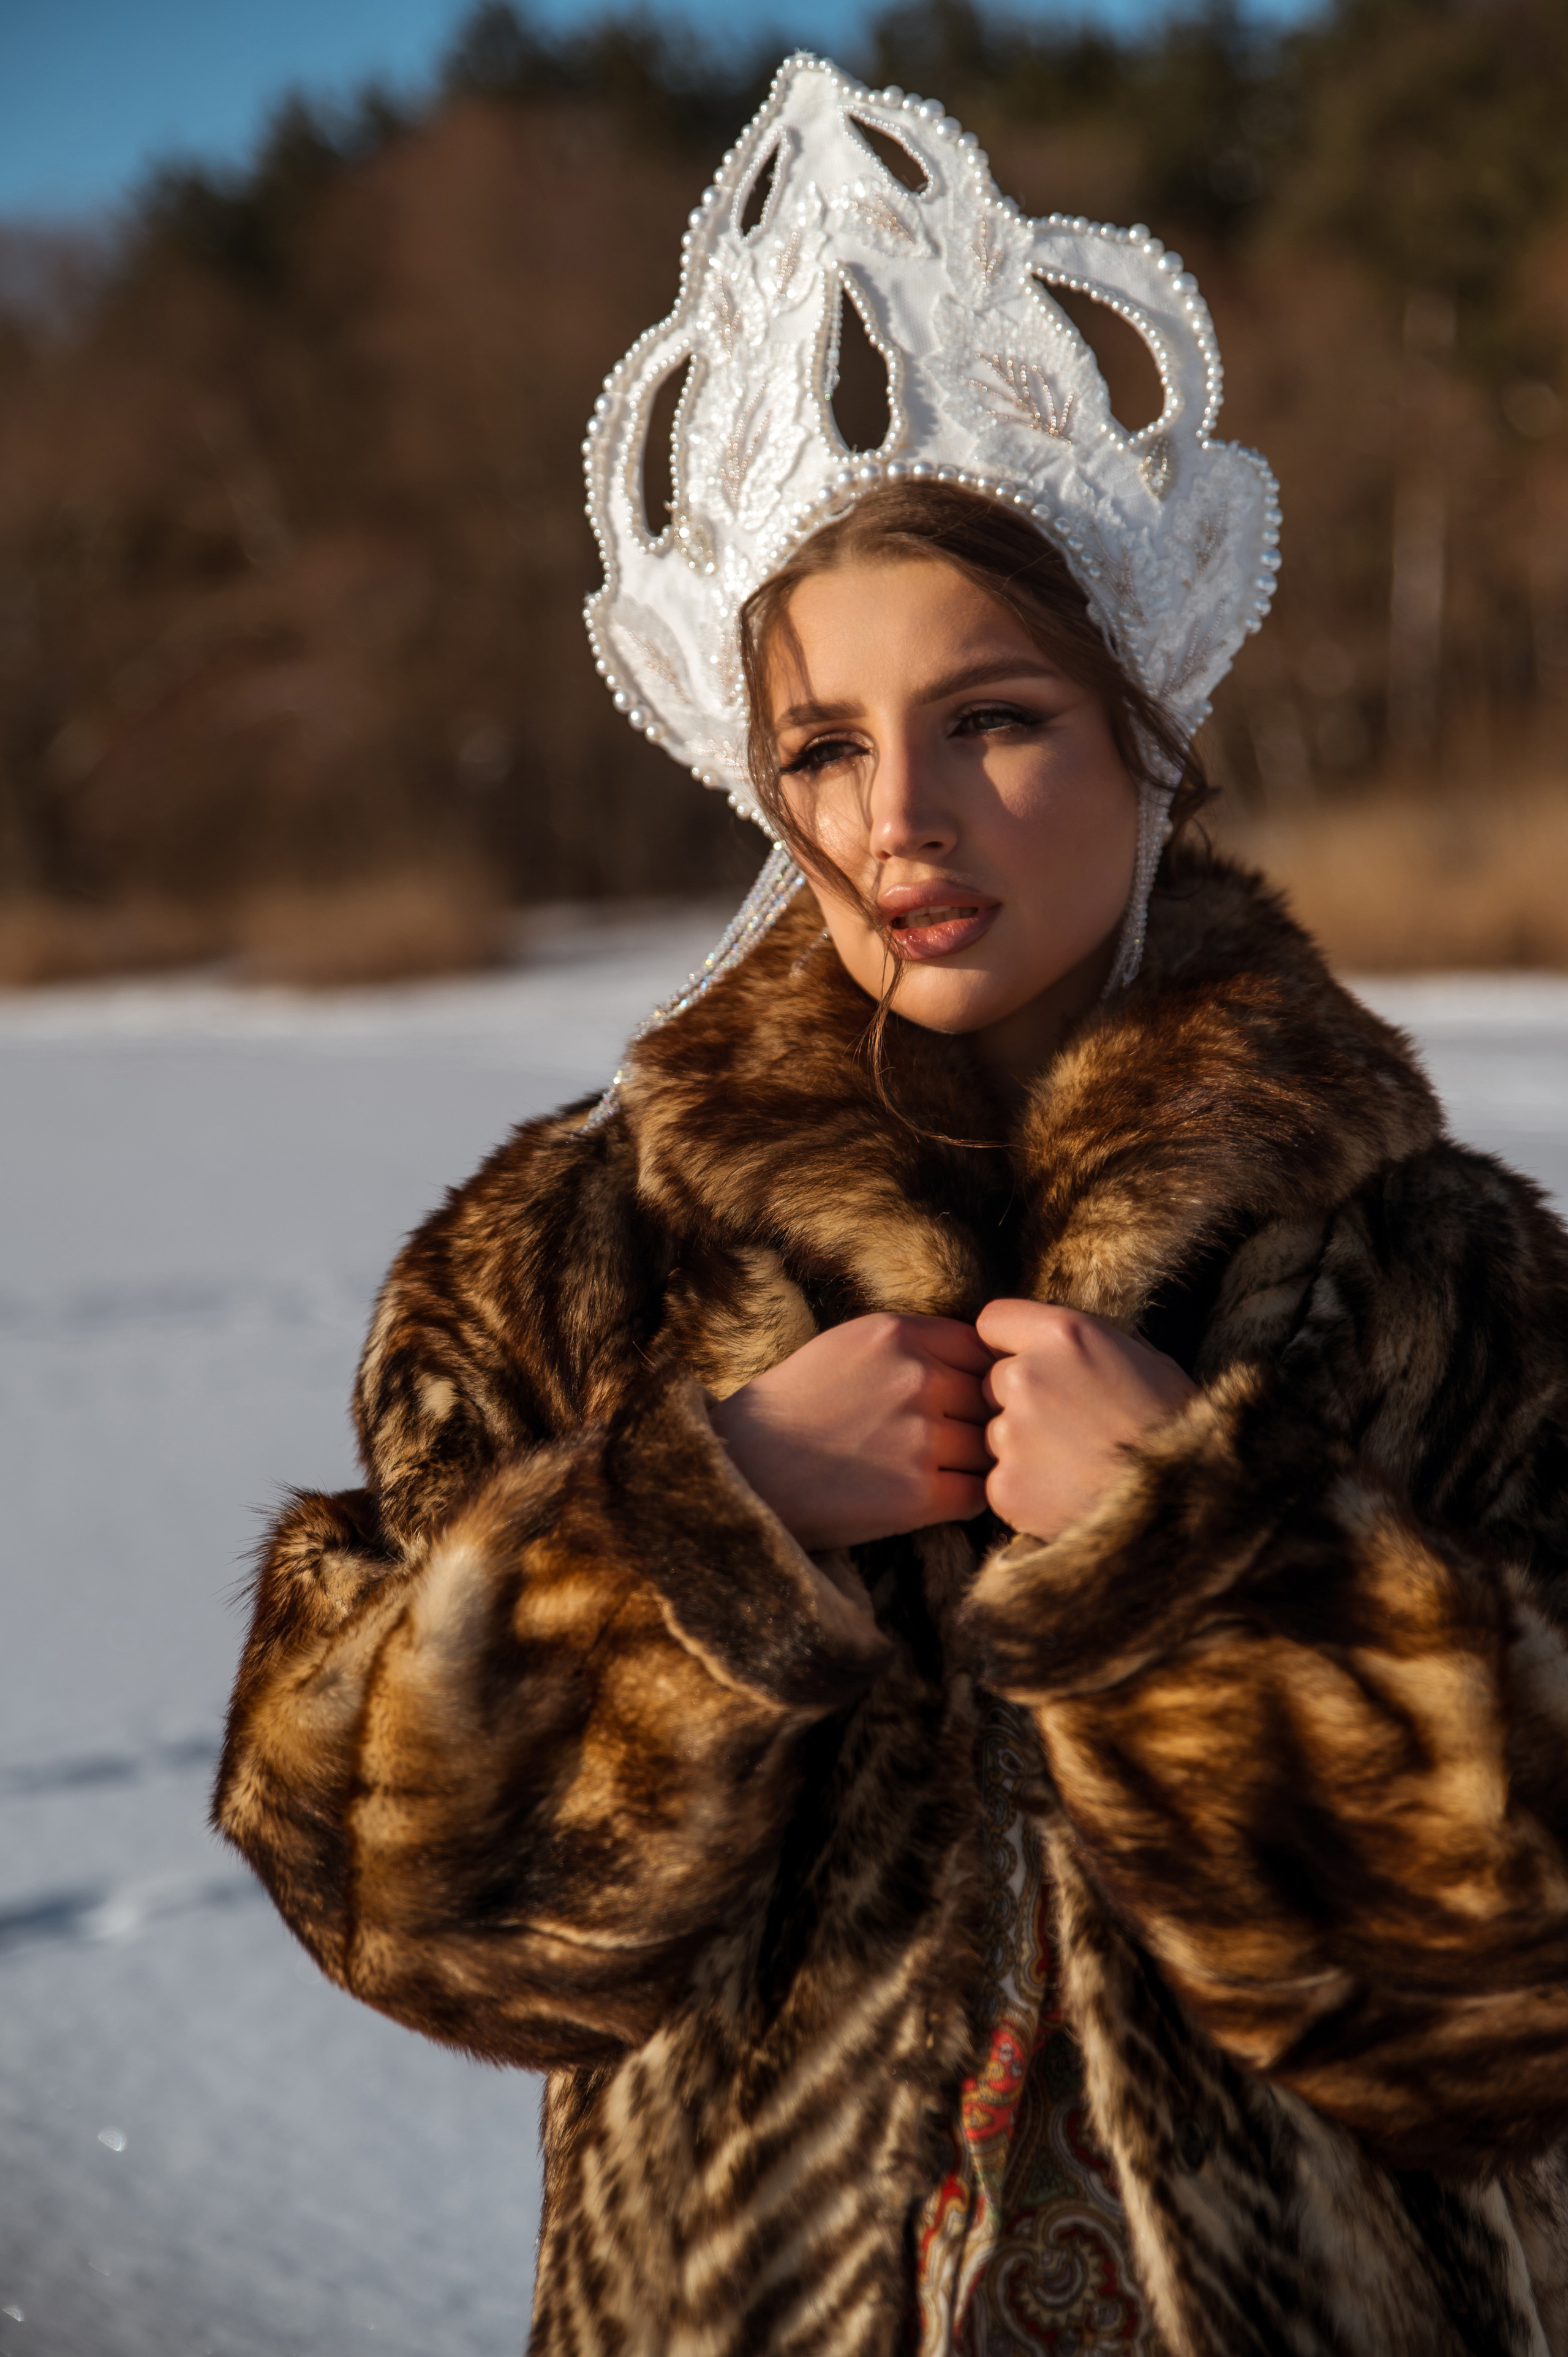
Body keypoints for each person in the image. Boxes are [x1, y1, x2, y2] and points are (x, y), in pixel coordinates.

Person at [214, 53, 1568, 2357]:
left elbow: (1525, 1998)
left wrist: (1201, 1564)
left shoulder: (1437, 1277)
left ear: (1151, 736)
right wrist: (698, 1533)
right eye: (825, 745)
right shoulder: (573, 1263)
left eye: (999, 719)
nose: (900, 818)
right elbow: (395, 1896)